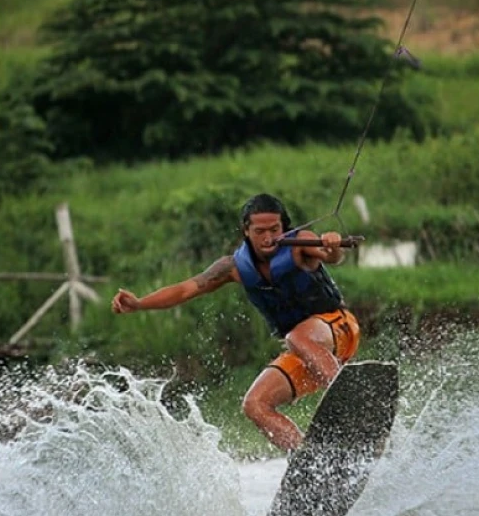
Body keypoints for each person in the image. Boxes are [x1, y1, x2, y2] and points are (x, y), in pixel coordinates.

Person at [111, 193, 360, 451]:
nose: (268, 237)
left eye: (274, 229)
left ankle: (351, 402)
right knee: (255, 404)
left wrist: (331, 247)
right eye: (260, 231)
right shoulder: (233, 267)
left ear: (283, 227)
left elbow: (331, 256)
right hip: (304, 352)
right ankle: (311, 462)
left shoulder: (300, 244)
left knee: (296, 337)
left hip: (338, 328)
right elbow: (186, 289)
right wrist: (140, 303)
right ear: (246, 230)